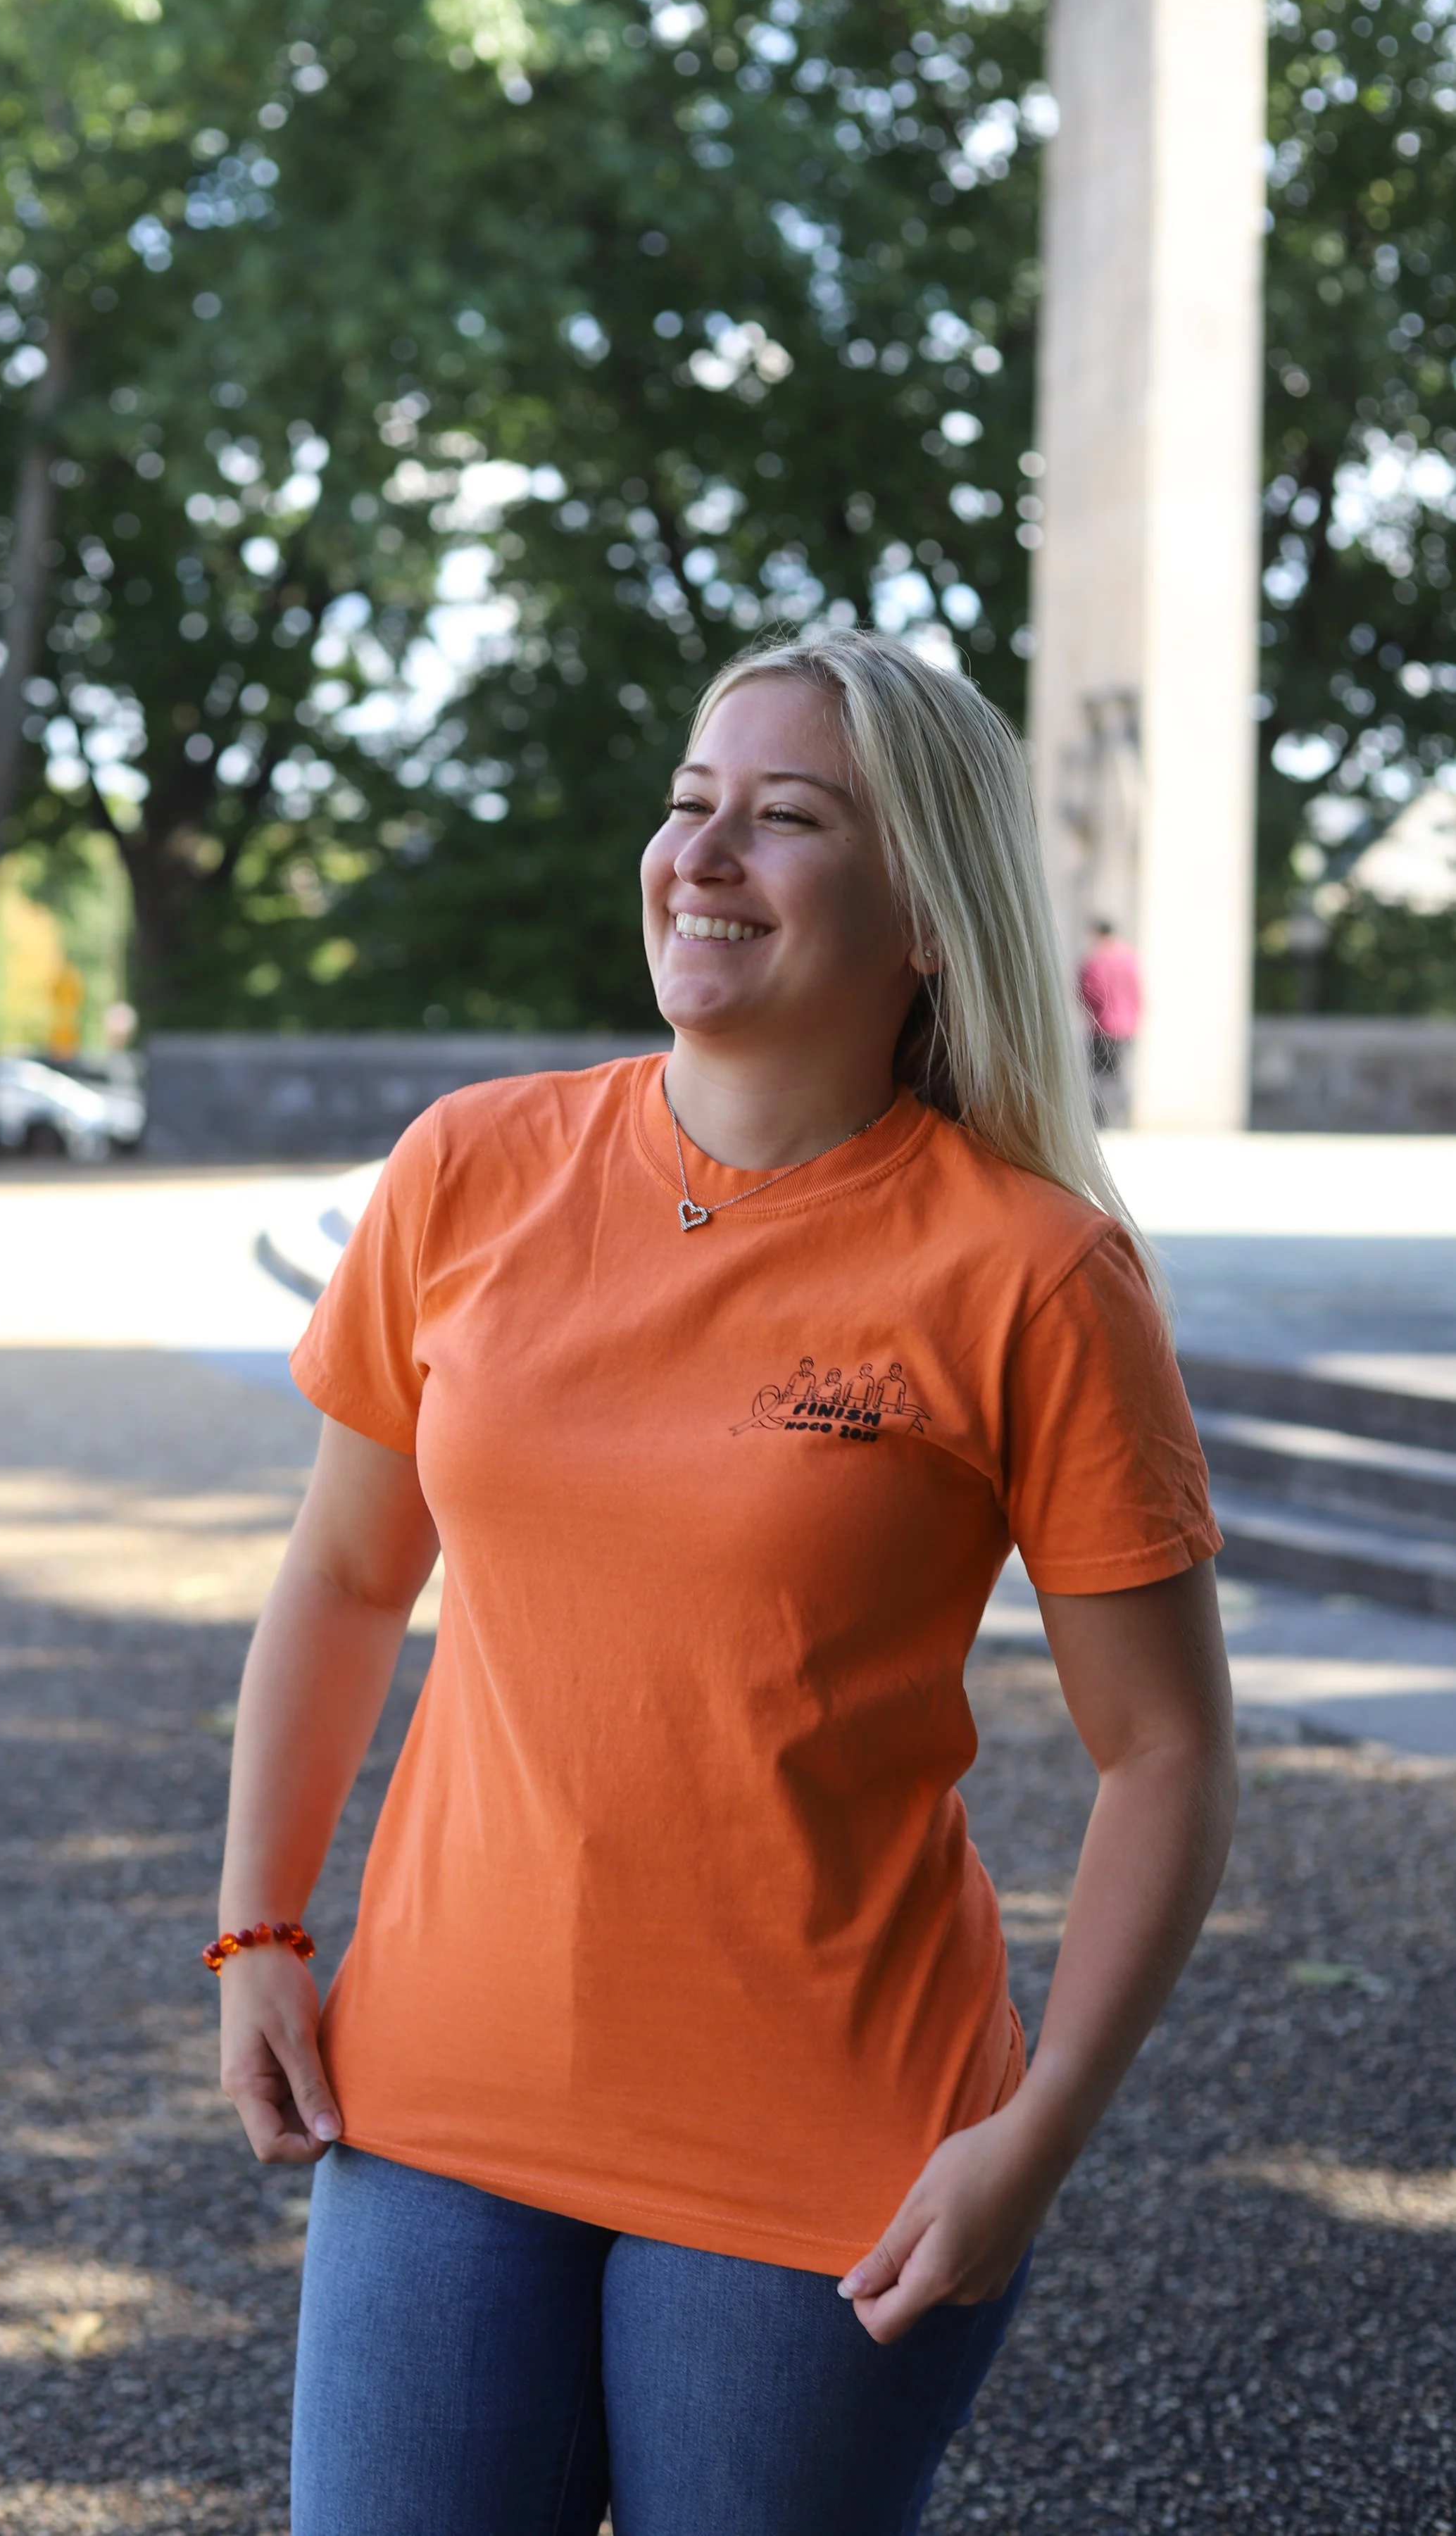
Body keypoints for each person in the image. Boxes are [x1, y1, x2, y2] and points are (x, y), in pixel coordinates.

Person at [211, 629, 1236, 2536]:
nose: (701, 852)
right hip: (436, 2091)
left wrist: (1037, 2133)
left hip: (832, 2139)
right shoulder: (470, 1168)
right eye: (689, 802)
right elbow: (346, 1573)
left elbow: (1164, 1749)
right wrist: (257, 1926)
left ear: (926, 910)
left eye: (786, 818)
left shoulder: (1032, 1270)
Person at [1076, 917, 1142, 1128]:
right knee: (1121, 1075)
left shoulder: (1094, 961)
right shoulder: (1130, 960)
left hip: (1102, 1027)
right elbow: (1139, 992)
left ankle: (1102, 1121)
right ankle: (1122, 1119)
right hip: (1127, 1028)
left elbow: (1085, 993)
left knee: (1100, 1076)